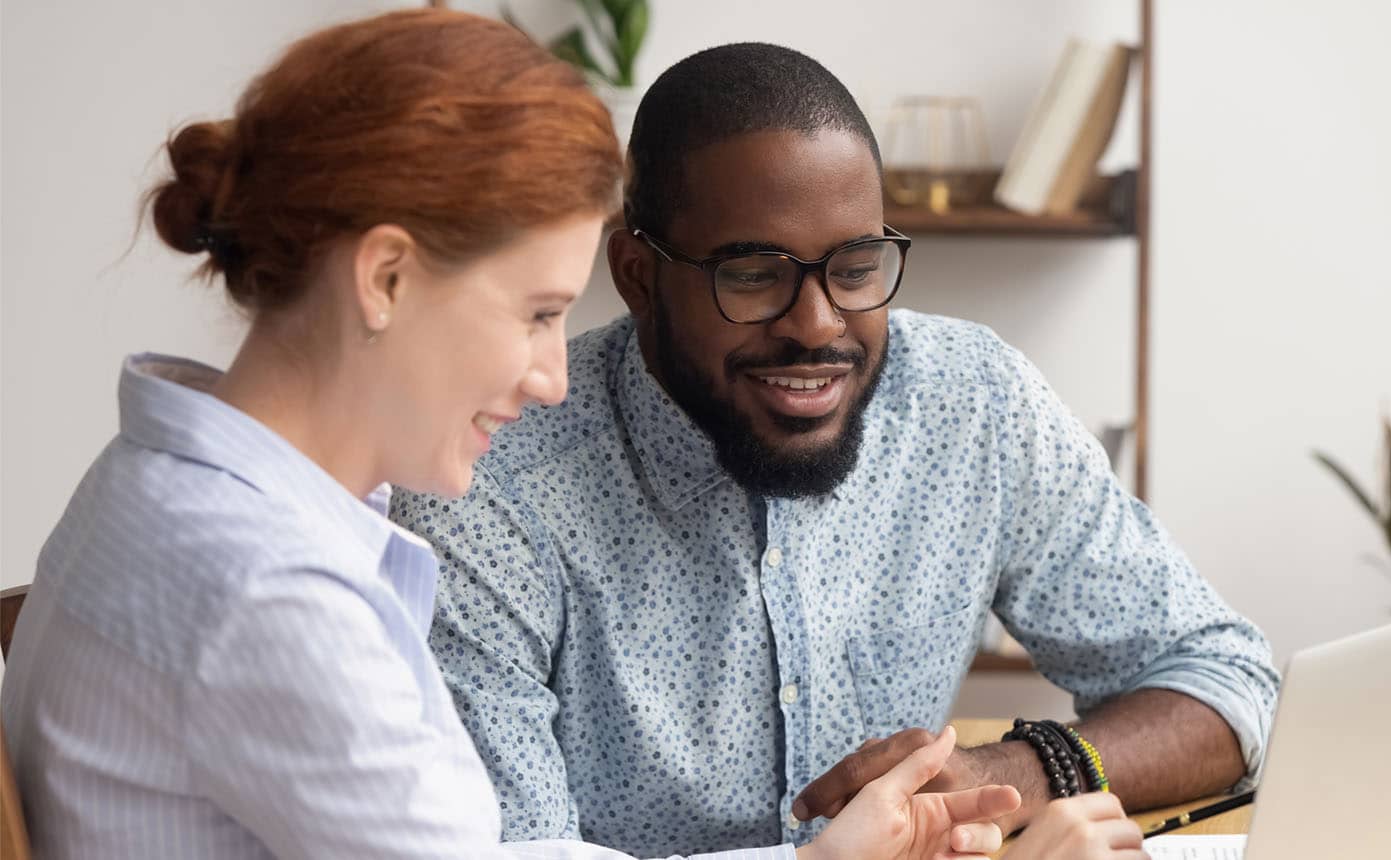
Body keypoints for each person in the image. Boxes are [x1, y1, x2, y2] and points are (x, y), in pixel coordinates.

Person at [0, 11, 1048, 860]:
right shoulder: (260, 588)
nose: (555, 375)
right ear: (388, 279)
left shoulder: (180, 491)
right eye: (539, 312)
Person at [391, 41, 1279, 858]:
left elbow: (1227, 682)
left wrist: (1008, 773)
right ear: (637, 274)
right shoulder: (490, 477)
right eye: (753, 276)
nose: (817, 326)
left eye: (855, 268)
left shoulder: (972, 403)